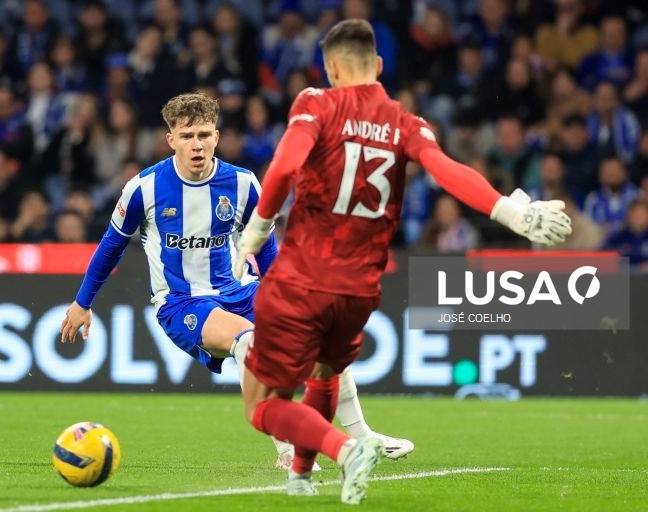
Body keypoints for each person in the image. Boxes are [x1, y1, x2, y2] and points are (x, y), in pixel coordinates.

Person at [233, 19, 572, 504]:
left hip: (303, 276)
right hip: (360, 287)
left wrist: (260, 226)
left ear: (330, 68)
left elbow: (286, 165)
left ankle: (345, 449)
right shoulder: (406, 122)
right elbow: (448, 171)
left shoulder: (315, 104)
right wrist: (513, 211)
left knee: (263, 405)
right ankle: (301, 478)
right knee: (326, 375)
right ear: (378, 66)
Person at [59, 92, 411, 470]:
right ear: (171, 140)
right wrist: (83, 302)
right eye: (188, 135)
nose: (197, 144)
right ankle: (288, 453)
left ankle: (363, 437)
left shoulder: (243, 185)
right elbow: (111, 246)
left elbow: (264, 248)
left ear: (217, 136)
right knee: (251, 342)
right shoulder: (144, 189)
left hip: (240, 291)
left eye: (205, 135)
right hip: (182, 302)